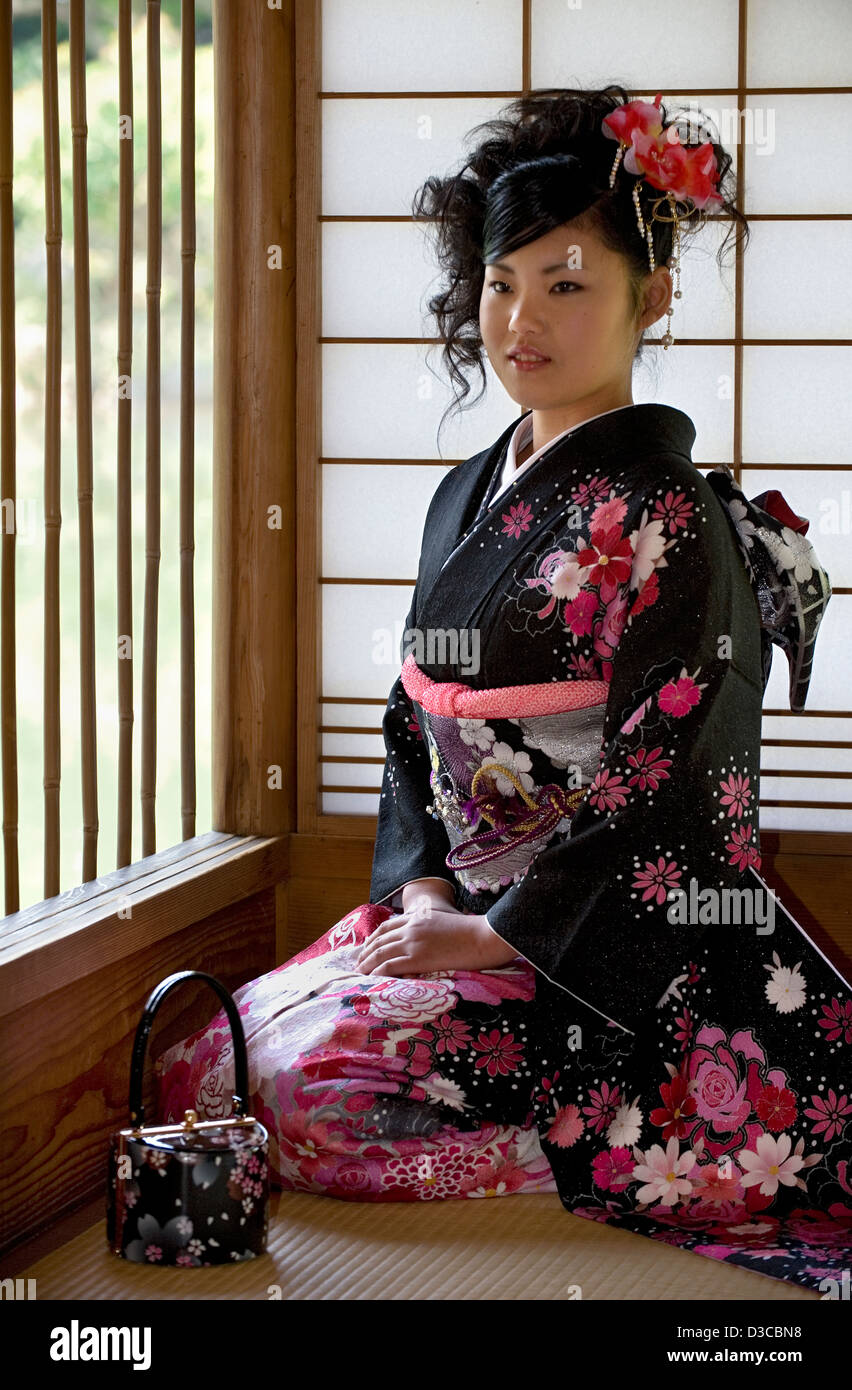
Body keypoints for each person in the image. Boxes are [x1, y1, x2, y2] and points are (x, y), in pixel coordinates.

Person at [154, 86, 849, 1293]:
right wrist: (420, 888)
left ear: (655, 294)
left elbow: (679, 787)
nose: (520, 319)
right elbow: (409, 717)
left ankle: (625, 1130)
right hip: (455, 909)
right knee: (208, 1054)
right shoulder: (468, 491)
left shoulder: (668, 518)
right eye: (501, 280)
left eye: (566, 284)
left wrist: (490, 933)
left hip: (623, 951)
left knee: (308, 1093)